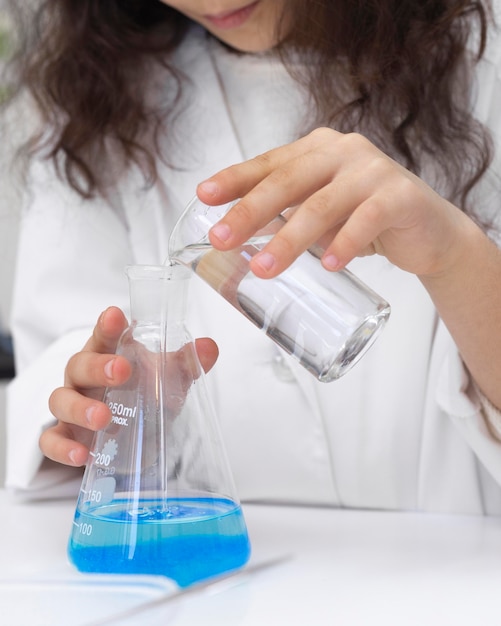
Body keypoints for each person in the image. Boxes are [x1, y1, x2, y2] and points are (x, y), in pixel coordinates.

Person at [3, 0, 501, 513]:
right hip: (218, 576)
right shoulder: (94, 96)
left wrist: (456, 255)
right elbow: (61, 370)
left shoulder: (485, 60)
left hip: (467, 573)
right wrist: (120, 422)